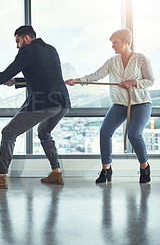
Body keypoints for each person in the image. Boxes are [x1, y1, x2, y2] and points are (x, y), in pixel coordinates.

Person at [0, 25, 71, 188]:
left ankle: (0, 177)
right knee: (44, 132)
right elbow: (43, 76)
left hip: (44, 102)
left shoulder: (27, 51)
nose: (17, 46)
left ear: (26, 38)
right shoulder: (51, 49)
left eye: (18, 41)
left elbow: (4, 74)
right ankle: (56, 173)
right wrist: (16, 81)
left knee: (8, 133)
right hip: (62, 102)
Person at [65, 28, 154, 184]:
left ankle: (144, 167)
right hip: (120, 104)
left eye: (115, 43)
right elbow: (95, 76)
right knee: (105, 131)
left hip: (141, 104)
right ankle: (106, 169)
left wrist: (133, 82)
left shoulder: (141, 59)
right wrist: (77, 80)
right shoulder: (112, 62)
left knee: (134, 134)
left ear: (126, 41)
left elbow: (150, 80)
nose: (113, 46)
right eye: (112, 43)